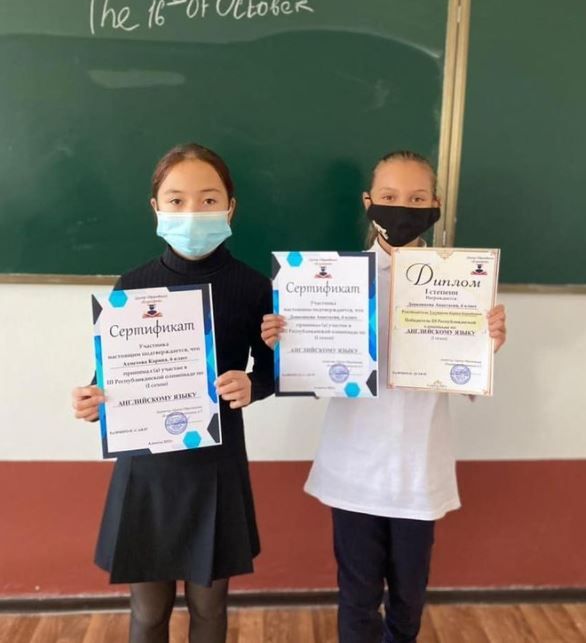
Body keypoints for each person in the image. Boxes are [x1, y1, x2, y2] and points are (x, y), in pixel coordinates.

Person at [261, 150, 506, 643]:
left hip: (418, 468)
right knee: (357, 596)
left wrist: (484, 344)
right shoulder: (331, 281)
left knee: (409, 598)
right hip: (353, 466)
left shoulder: (461, 282)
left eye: (416, 199)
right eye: (389, 196)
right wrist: (287, 342)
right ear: (368, 202)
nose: (402, 208)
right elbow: (311, 370)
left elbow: (464, 379)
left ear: (435, 205)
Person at [72, 143, 274, 643]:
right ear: (156, 208)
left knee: (209, 607)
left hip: (215, 468)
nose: (192, 212)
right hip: (147, 470)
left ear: (230, 207)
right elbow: (108, 376)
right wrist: (92, 399)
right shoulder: (133, 284)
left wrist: (253, 384)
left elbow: (271, 372)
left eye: (209, 200)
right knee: (148, 612)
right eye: (177, 200)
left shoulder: (254, 287)